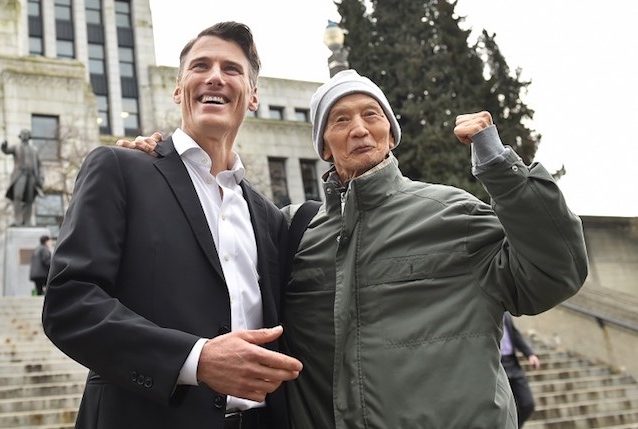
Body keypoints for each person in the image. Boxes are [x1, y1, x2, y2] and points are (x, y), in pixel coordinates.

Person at [123, 69, 588, 428]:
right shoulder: (293, 232)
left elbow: (555, 272)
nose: (360, 129)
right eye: (341, 120)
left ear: (390, 131)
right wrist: (165, 171)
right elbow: (211, 239)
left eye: (372, 115)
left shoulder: (452, 213)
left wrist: (498, 164)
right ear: (324, 146)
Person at [42, 21, 302, 429]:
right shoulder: (120, 169)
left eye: (232, 69)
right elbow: (71, 303)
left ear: (252, 96)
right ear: (179, 89)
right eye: (200, 66)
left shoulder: (269, 218)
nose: (215, 76)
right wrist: (195, 359)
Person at [502, 312, 541, 427]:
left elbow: (514, 334)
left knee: (527, 404)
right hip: (497, 366)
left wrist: (530, 354)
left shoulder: (506, 314)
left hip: (513, 364)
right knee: (504, 408)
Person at [0, 129, 44, 226]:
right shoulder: (16, 147)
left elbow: (40, 165)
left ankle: (27, 221)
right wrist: (3, 146)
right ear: (20, 136)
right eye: (23, 134)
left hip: (31, 176)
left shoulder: (34, 150)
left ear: (29, 136)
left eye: (27, 134)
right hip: (20, 175)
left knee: (29, 199)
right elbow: (6, 151)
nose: (25, 136)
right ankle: (18, 220)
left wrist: (41, 177)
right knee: (18, 196)